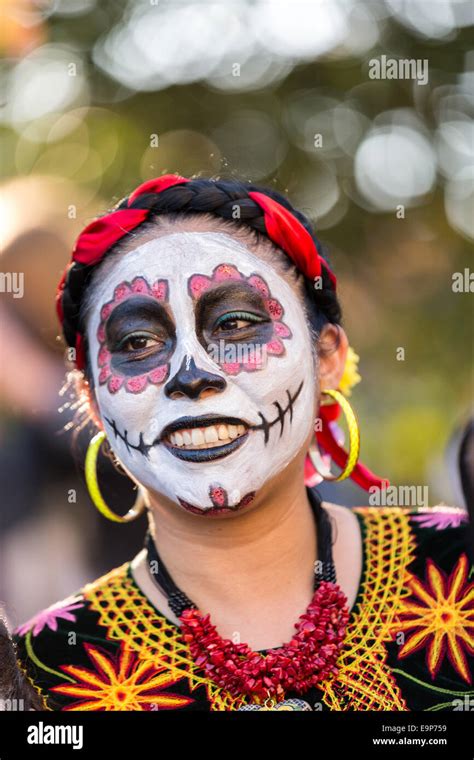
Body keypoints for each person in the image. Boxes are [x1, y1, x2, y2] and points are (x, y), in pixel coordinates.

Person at [12, 175, 472, 711]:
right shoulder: (44, 675)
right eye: (138, 342)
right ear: (91, 399)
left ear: (326, 358)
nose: (191, 375)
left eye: (234, 324)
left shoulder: (458, 566)